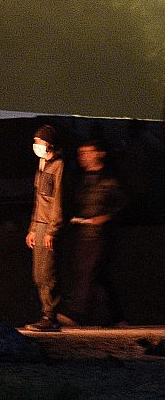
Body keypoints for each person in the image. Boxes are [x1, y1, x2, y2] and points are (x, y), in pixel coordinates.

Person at [66, 138, 126, 326]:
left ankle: (76, 313)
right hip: (83, 233)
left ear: (100, 154)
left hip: (100, 236)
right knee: (99, 276)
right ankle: (117, 317)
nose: (84, 157)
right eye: (81, 153)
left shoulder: (109, 180)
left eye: (88, 152)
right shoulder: (81, 180)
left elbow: (123, 205)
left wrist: (105, 217)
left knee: (89, 272)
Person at [25, 124, 65, 331]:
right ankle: (45, 312)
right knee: (38, 273)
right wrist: (32, 228)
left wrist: (52, 230)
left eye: (39, 142)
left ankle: (50, 316)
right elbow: (38, 200)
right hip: (39, 224)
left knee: (48, 273)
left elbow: (57, 200)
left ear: (49, 143)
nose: (36, 145)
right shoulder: (42, 165)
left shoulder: (58, 166)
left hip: (49, 225)